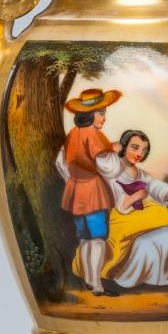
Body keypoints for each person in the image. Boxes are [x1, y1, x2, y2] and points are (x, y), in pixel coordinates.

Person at [85, 129, 168, 290]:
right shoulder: (112, 169)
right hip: (122, 218)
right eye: (135, 147)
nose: (139, 153)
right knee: (144, 242)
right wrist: (135, 197)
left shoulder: (141, 174)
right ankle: (131, 279)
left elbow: (159, 188)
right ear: (123, 147)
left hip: (145, 215)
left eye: (143, 150)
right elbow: (94, 160)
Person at [53, 88, 121, 295]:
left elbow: (60, 163)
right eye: (101, 114)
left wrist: (73, 180)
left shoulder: (72, 134)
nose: (104, 119)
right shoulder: (94, 135)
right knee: (98, 238)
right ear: (90, 115)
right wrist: (114, 151)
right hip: (93, 192)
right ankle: (97, 285)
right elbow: (109, 168)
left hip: (75, 192)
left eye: (104, 114)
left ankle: (89, 280)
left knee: (84, 239)